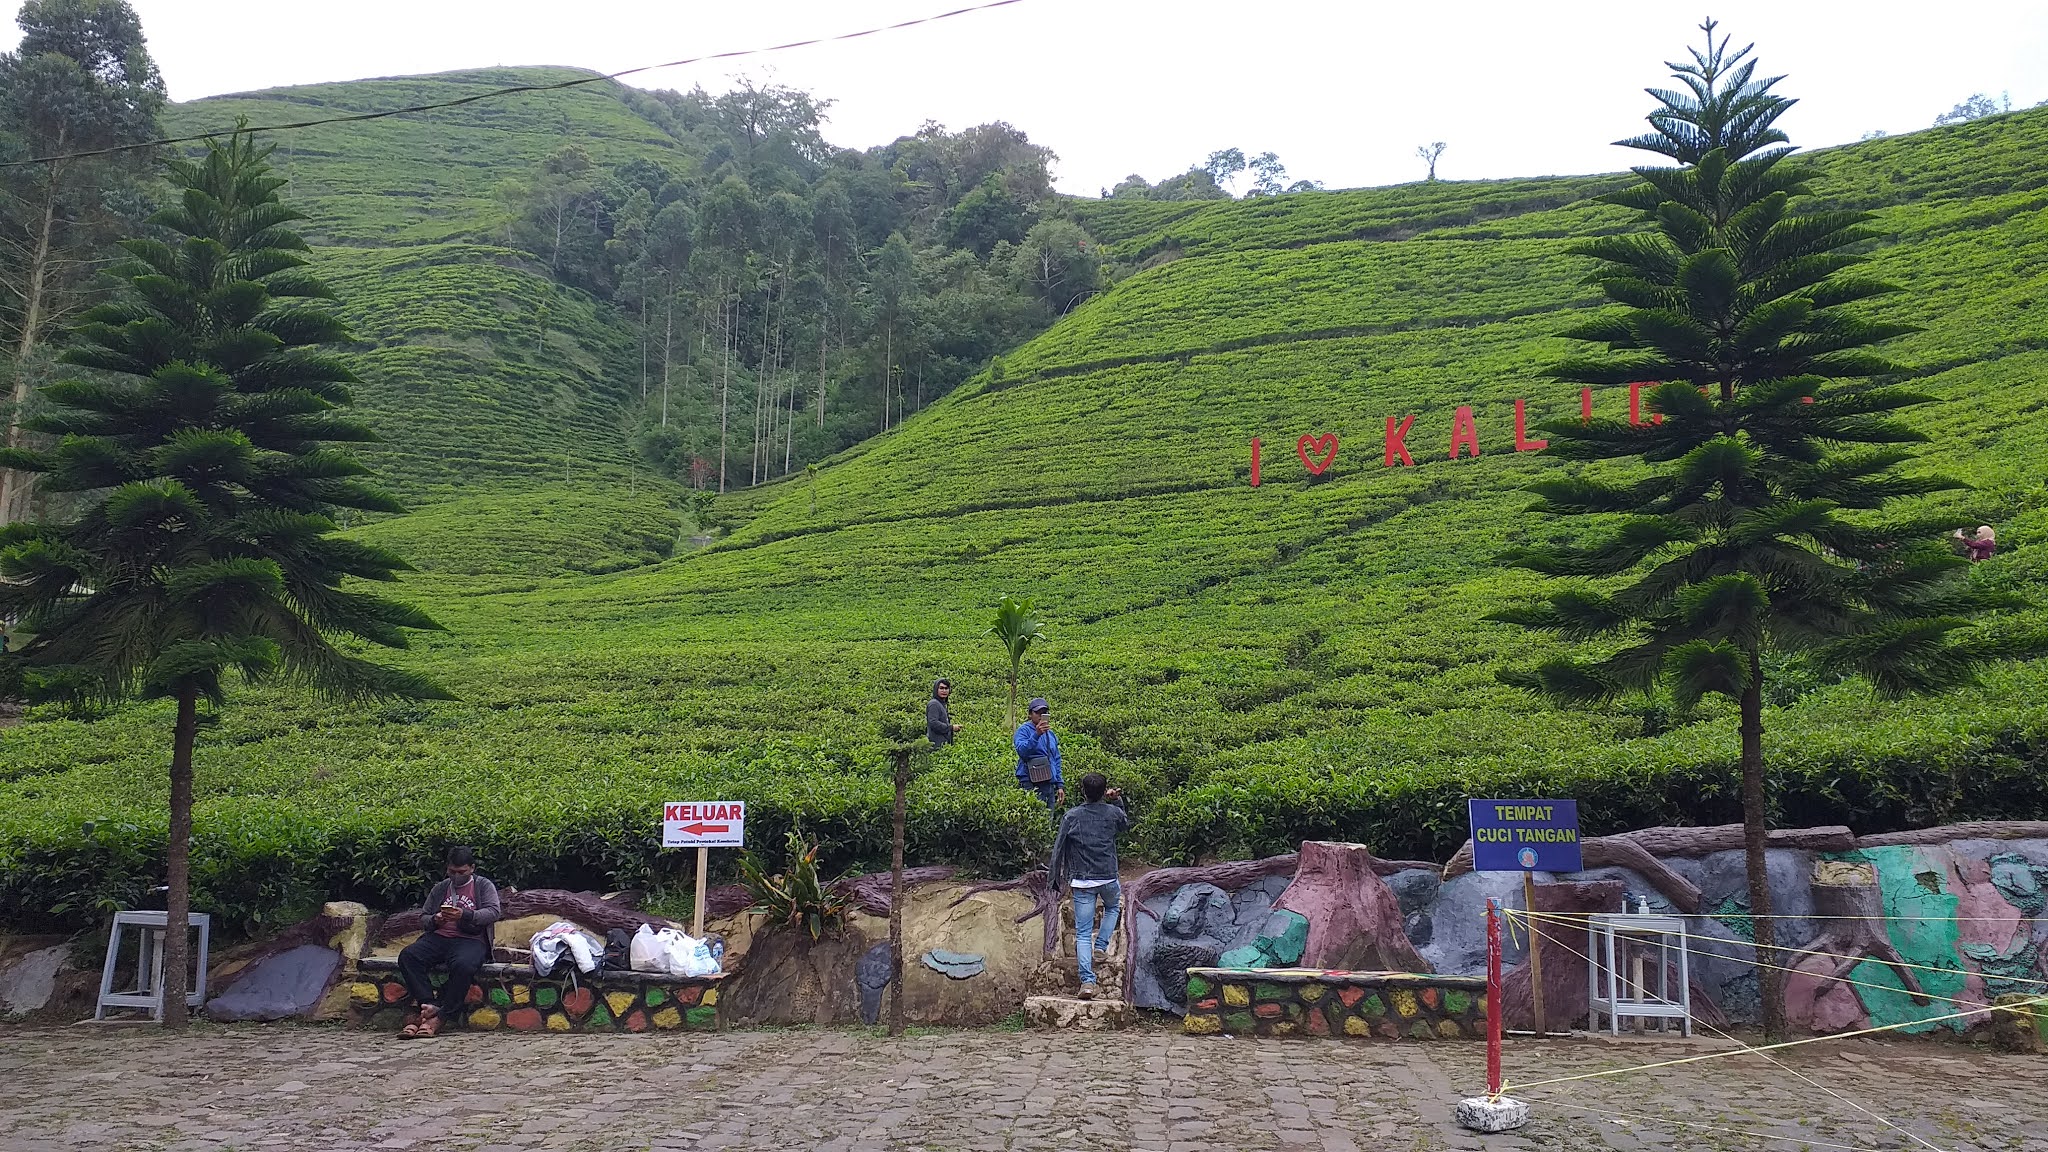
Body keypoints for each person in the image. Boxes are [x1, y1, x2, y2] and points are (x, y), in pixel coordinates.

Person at [396, 846, 502, 1038]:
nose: (456, 876)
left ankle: (442, 1016)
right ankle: (428, 1005)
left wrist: (465, 914)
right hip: (439, 937)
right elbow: (423, 917)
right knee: (409, 956)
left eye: (461, 872)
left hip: (471, 939)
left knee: (463, 965)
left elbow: (493, 912)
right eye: (452, 872)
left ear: (472, 868)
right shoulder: (441, 888)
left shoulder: (483, 886)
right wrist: (436, 919)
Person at [1049, 772, 1129, 1000]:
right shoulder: (1113, 813)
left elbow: (1058, 848)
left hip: (1081, 881)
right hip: (1108, 877)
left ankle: (1087, 982)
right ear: (1104, 792)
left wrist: (1056, 878)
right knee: (1113, 908)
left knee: (1083, 933)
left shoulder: (1071, 817)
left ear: (1083, 792)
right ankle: (1102, 945)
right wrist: (1117, 800)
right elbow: (1125, 824)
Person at [1013, 697, 1063, 812]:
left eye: (1044, 713)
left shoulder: (1050, 733)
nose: (1041, 715)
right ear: (1030, 714)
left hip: (1048, 781)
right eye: (1037, 712)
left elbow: (1056, 758)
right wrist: (1036, 734)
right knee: (1033, 815)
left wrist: (1060, 785)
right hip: (1030, 781)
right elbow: (1022, 752)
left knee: (1048, 818)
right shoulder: (1023, 731)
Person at [926, 678, 961, 747]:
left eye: (946, 688)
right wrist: (951, 728)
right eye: (941, 688)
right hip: (936, 746)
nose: (944, 691)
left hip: (944, 745)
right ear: (936, 690)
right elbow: (933, 723)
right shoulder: (934, 704)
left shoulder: (942, 704)